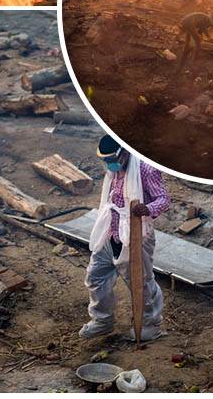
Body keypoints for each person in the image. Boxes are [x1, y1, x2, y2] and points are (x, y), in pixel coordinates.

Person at [81, 136, 170, 341]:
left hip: (136, 234)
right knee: (96, 276)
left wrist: (148, 208)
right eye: (106, 160)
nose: (109, 164)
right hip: (111, 230)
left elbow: (164, 199)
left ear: (125, 152)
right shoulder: (113, 169)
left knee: (141, 282)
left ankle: (151, 325)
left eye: (112, 159)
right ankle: (102, 321)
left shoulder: (146, 168)